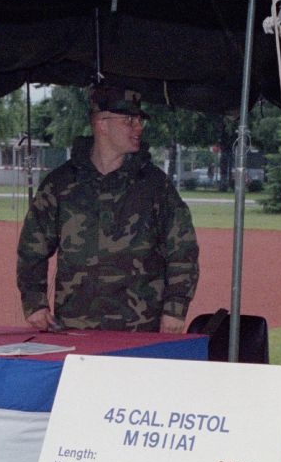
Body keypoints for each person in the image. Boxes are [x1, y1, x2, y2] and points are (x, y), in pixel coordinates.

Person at [16, 85, 199, 333]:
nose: (139, 127)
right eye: (129, 120)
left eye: (139, 120)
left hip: (141, 325)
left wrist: (175, 309)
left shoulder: (155, 185)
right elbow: (32, 246)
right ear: (102, 124)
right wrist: (34, 302)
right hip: (76, 324)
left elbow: (183, 249)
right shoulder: (61, 184)